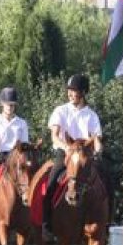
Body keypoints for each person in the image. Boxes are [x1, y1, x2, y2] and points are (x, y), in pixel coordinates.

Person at [43, 73, 103, 234]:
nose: (70, 93)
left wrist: (98, 151)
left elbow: (97, 138)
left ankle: (107, 219)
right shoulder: (60, 111)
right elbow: (54, 136)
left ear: (83, 93)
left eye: (74, 90)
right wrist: (66, 147)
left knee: (107, 180)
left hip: (85, 157)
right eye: (69, 90)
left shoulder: (91, 115)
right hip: (65, 153)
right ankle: (46, 221)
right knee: (51, 182)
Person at [0, 86, 29, 181]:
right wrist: (0, 153)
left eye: (12, 105)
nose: (9, 107)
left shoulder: (22, 123)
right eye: (7, 104)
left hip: (16, 157)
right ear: (2, 105)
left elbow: (24, 143)